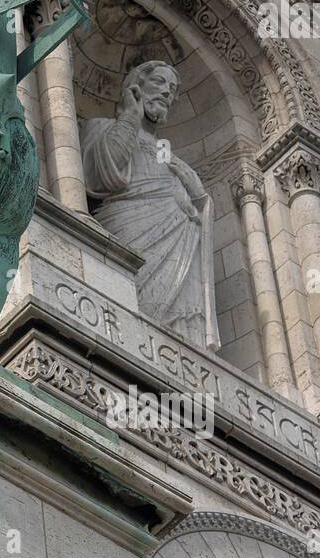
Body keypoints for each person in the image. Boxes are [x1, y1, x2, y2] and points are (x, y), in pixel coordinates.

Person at [81, 60, 219, 350]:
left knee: (179, 325)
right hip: (130, 229)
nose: (167, 92)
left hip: (180, 243)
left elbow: (199, 205)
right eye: (158, 83)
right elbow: (106, 176)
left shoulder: (168, 153)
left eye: (172, 89)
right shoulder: (100, 127)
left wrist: (197, 196)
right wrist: (130, 117)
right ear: (135, 86)